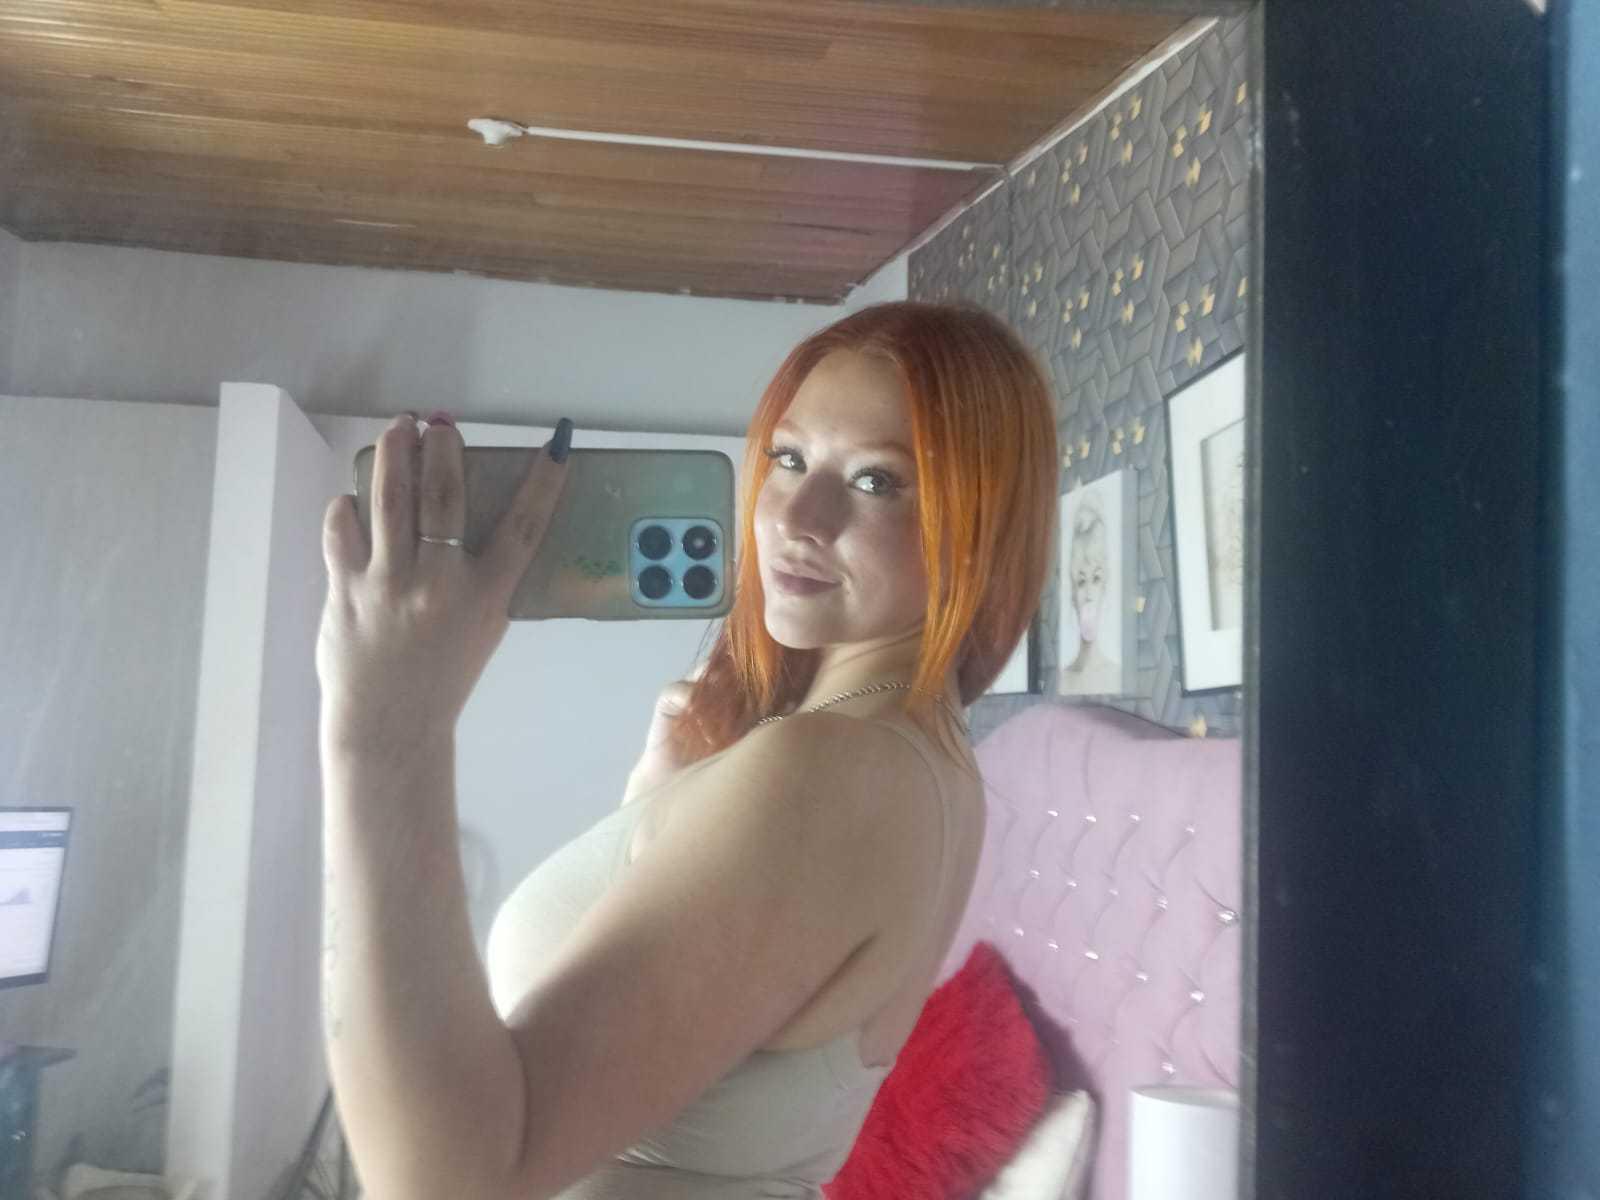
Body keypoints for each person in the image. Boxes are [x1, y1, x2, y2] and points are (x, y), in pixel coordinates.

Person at [315, 301, 1059, 1200]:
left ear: (981, 523)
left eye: (876, 481)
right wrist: (656, 808)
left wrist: (382, 731)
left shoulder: (833, 771)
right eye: (788, 458)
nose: (798, 515)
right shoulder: (904, 757)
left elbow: (446, 1181)